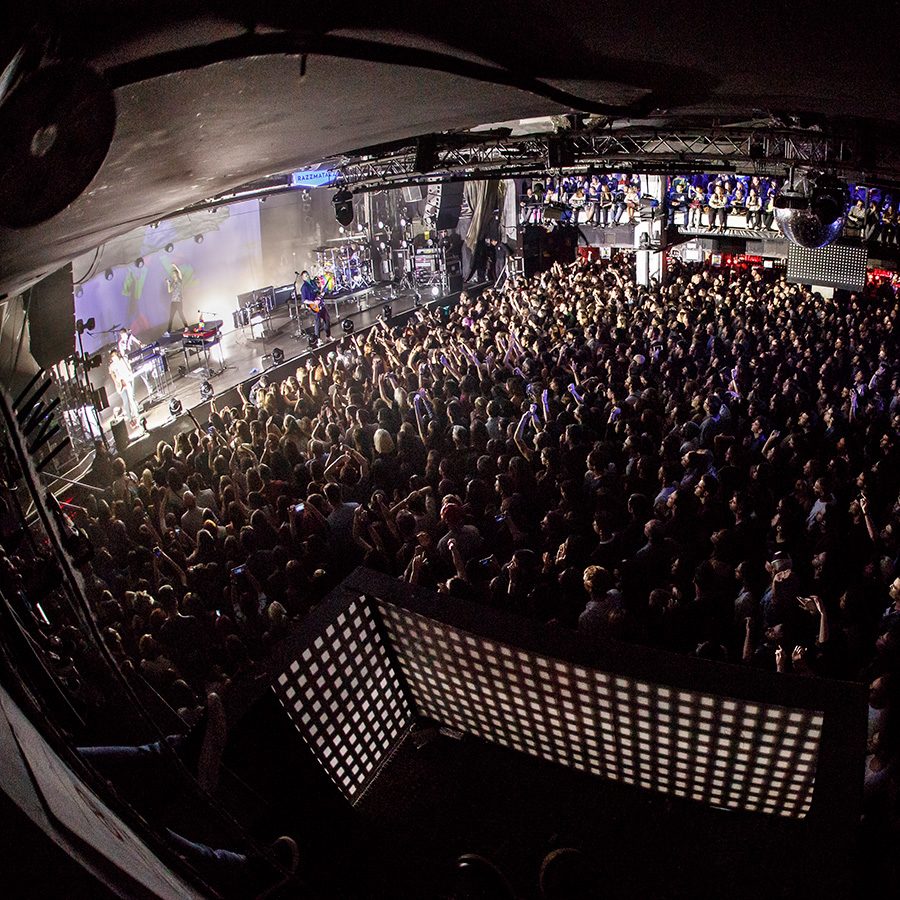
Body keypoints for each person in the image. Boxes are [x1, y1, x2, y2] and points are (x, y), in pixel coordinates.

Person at [108, 348, 137, 425]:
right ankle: (130, 419)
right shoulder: (112, 366)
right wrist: (118, 383)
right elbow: (113, 376)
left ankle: (136, 415)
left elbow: (128, 368)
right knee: (126, 401)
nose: (116, 356)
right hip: (120, 385)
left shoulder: (123, 360)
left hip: (127, 380)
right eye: (113, 356)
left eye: (116, 354)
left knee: (132, 398)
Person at [299, 270, 330, 339]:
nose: (308, 277)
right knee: (317, 322)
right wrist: (313, 302)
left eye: (308, 275)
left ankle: (328, 336)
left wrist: (321, 293)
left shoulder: (313, 282)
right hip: (313, 306)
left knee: (327, 319)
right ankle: (317, 339)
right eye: (306, 276)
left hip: (320, 303)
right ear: (303, 278)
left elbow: (317, 291)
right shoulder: (304, 287)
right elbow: (304, 300)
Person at [165, 262, 189, 334]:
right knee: (171, 317)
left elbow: (180, 272)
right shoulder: (173, 283)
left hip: (178, 301)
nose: (173, 275)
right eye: (172, 274)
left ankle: (186, 327)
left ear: (176, 274)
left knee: (181, 315)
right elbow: (169, 291)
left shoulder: (179, 281)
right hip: (173, 302)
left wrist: (175, 266)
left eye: (174, 274)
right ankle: (168, 331)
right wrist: (168, 283)